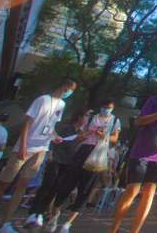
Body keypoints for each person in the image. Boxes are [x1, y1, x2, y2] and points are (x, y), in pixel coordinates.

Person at [0, 77, 76, 233]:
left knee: (22, 185)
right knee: (4, 184)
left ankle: (5, 223)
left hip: (41, 148)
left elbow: (51, 126)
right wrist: (22, 146)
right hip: (25, 146)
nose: (68, 93)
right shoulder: (42, 100)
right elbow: (28, 123)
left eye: (71, 91)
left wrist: (55, 137)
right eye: (68, 89)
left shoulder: (61, 105)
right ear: (62, 86)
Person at [111, 76, 157, 233]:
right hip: (142, 151)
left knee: (149, 193)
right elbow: (139, 121)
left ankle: (135, 230)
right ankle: (114, 228)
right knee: (132, 190)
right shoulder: (153, 100)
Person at [41, 99, 120, 232]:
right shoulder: (91, 118)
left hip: (98, 154)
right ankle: (55, 215)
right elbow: (79, 136)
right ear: (100, 107)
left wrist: (104, 135)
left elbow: (115, 138)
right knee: (67, 184)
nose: (106, 109)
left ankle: (67, 223)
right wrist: (88, 133)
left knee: (85, 189)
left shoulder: (115, 120)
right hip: (83, 151)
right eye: (104, 107)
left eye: (109, 108)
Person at [26, 109, 90, 232]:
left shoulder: (83, 133)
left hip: (69, 163)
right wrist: (50, 153)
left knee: (55, 189)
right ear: (79, 116)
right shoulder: (67, 128)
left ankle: (43, 213)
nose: (86, 119)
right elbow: (55, 140)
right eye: (85, 115)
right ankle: (34, 213)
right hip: (56, 159)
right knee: (47, 185)